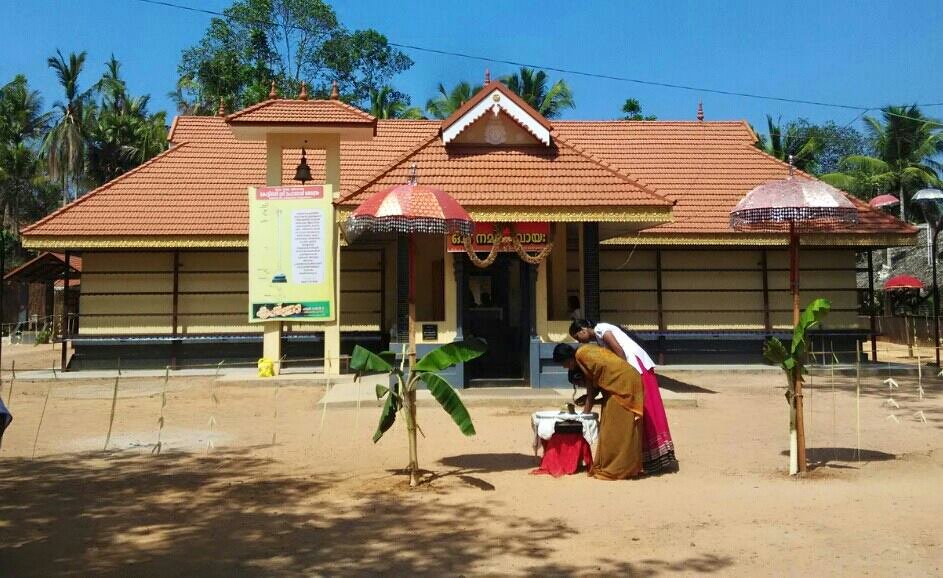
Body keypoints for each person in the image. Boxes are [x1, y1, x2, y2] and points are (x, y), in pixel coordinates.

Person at [570, 319, 677, 474]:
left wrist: (622, 378)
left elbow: (618, 350)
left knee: (644, 408)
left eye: (578, 337)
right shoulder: (599, 340)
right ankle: (650, 457)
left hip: (635, 368)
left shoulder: (601, 329)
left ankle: (656, 454)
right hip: (634, 369)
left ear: (583, 329)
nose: (579, 341)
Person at [553, 343, 644, 480]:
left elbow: (591, 388)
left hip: (622, 384)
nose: (565, 367)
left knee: (615, 430)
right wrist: (589, 400)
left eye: (564, 364)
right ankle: (613, 465)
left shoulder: (582, 356)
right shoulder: (585, 351)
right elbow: (597, 384)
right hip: (621, 383)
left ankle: (617, 468)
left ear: (567, 359)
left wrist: (584, 414)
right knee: (610, 425)